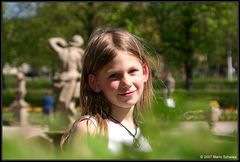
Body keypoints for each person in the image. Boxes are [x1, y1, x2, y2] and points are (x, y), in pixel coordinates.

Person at [60, 28, 153, 154]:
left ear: (145, 72)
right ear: (95, 82)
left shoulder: (147, 131)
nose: (126, 82)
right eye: (114, 75)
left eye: (132, 71)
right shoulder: (90, 129)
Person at [48, 35, 84, 125]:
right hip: (72, 78)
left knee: (60, 101)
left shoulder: (61, 51)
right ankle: (67, 123)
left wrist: (60, 40)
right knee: (66, 102)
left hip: (61, 78)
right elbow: (82, 68)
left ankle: (62, 122)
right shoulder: (79, 54)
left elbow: (50, 41)